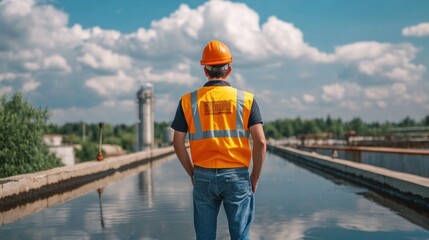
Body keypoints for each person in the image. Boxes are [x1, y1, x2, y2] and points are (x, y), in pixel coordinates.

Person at [171, 40, 266, 240]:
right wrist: (254, 177)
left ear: (205, 71)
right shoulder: (246, 100)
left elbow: (177, 142)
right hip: (237, 177)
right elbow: (261, 142)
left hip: (203, 176)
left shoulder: (188, 101)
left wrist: (192, 172)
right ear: (229, 69)